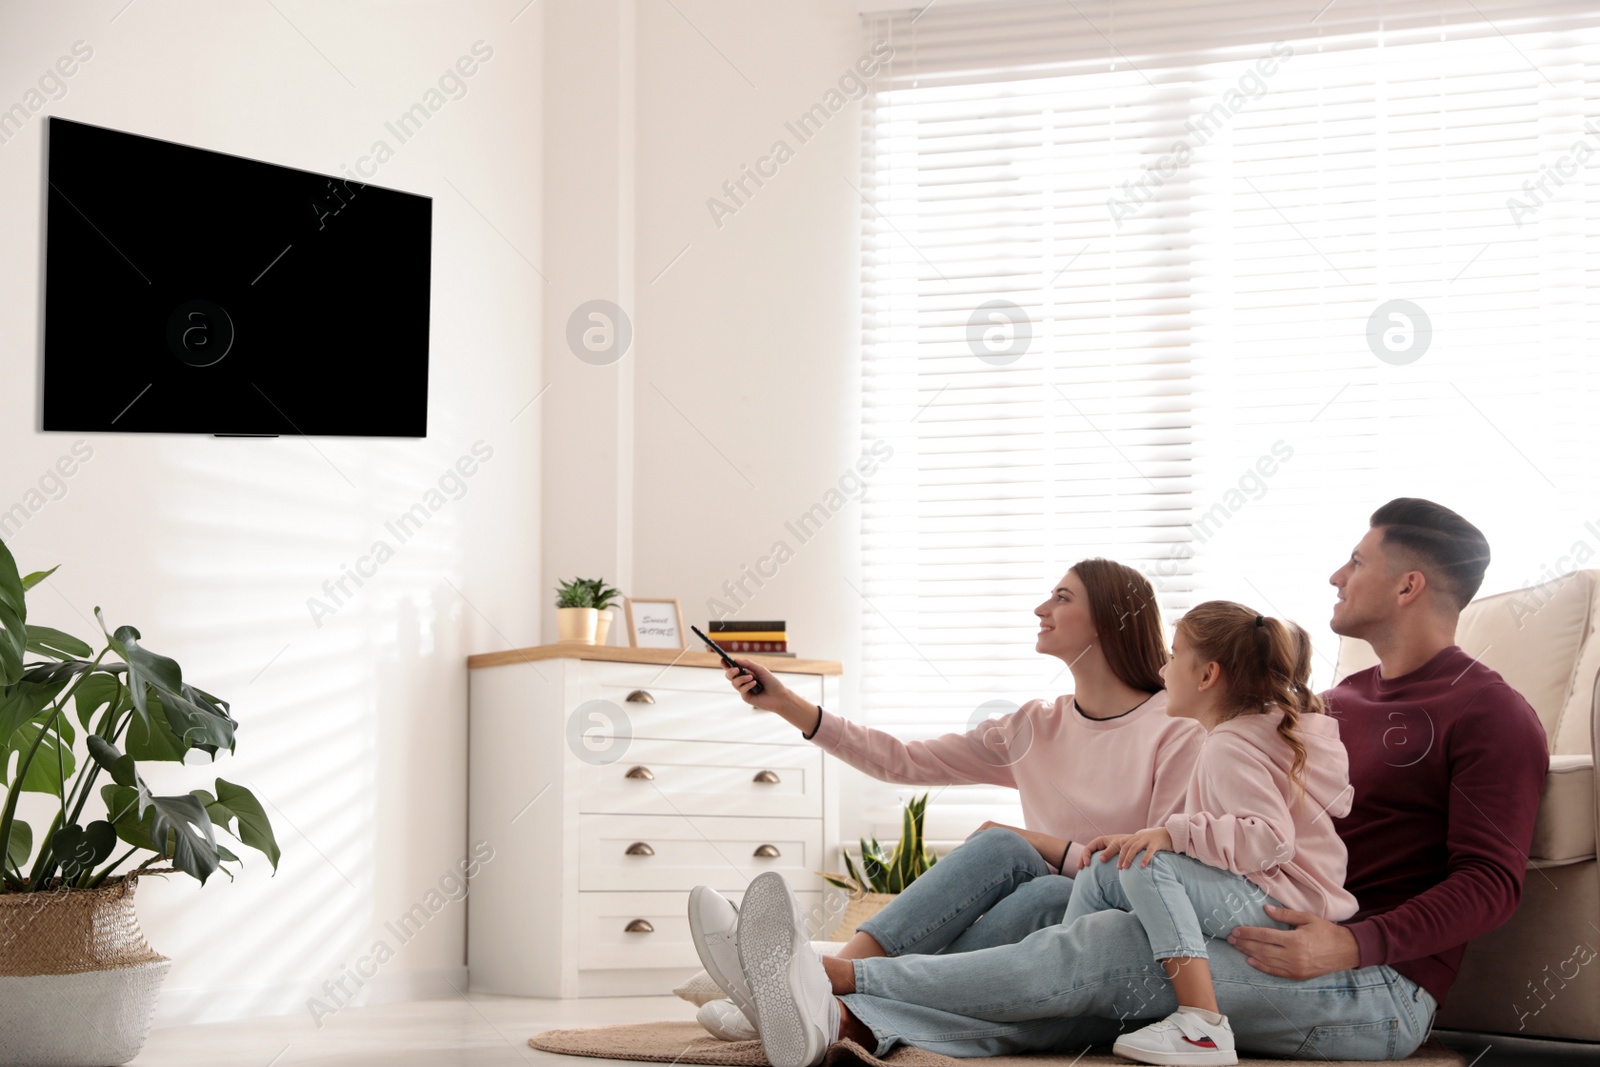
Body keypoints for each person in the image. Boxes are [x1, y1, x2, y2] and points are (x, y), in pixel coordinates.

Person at [716, 498, 1549, 1064]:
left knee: (1115, 946)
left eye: (1356, 561)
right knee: (1052, 905)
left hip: (1371, 983)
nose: (1336, 576)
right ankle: (844, 1017)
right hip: (1263, 921)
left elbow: (1490, 885)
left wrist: (1351, 941)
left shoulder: (1490, 714)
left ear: (1409, 585)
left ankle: (829, 980)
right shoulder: (1326, 705)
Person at [687, 559, 1204, 1041]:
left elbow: (1161, 868)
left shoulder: (1175, 728)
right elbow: (904, 760)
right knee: (1008, 857)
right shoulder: (1033, 725)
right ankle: (821, 986)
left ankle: (816, 988)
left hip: (1115, 924)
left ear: (1108, 623)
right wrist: (786, 705)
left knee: (1036, 883)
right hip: (1043, 913)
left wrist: (1038, 843)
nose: (1041, 609)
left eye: (1062, 598)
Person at [1063, 602, 1356, 1065]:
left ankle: (1201, 1024)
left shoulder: (1230, 744)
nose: (1163, 667)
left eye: (1174, 654)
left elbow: (1268, 838)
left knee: (1147, 865)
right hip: (1271, 895)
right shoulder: (1253, 734)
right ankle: (1063, 985)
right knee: (1105, 869)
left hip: (1280, 908)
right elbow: (1218, 832)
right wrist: (1154, 834)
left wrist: (1171, 836)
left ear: (1207, 676)